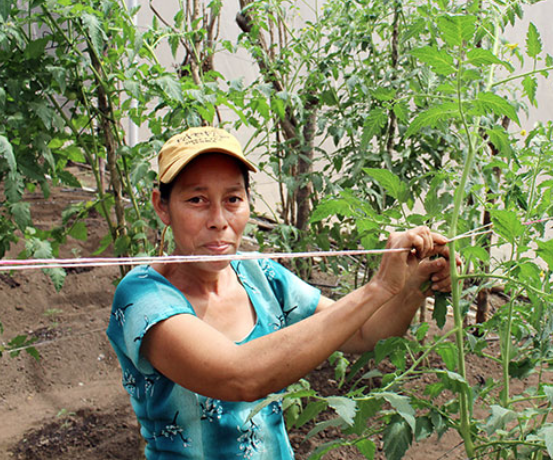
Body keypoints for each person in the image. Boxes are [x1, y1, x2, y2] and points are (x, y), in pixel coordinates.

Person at [106, 126, 453, 459]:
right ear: (162, 205)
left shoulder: (260, 275)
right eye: (197, 200)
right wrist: (378, 288)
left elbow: (364, 332)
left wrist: (415, 284)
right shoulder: (143, 297)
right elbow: (239, 376)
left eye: (232, 199)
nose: (219, 219)